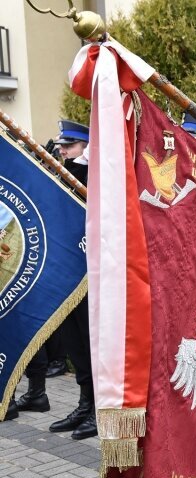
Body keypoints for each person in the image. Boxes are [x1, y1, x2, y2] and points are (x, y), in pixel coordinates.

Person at [45, 120, 97, 440]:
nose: (63, 151)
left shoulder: (92, 173)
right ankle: (84, 403)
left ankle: (96, 410)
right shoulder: (64, 171)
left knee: (91, 346)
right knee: (75, 346)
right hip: (68, 273)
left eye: (71, 146)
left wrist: (84, 163)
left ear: (87, 149)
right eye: (63, 146)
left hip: (91, 275)